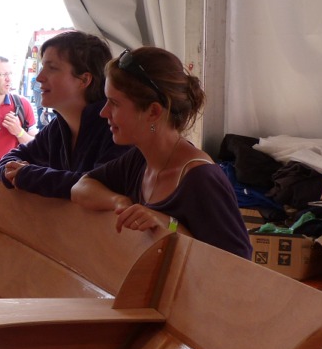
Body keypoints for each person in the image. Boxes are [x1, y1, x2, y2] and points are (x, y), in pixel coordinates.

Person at [70, 46, 252, 258]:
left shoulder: (202, 179)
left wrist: (170, 225)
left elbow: (238, 265)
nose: (103, 113)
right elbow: (80, 188)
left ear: (153, 112)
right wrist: (118, 202)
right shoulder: (139, 159)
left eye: (114, 103)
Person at [0, 31, 129, 198]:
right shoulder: (57, 128)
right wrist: (10, 172)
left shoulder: (115, 128)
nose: (39, 78)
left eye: (52, 68)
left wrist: (27, 176)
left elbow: (95, 185)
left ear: (84, 80)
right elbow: (13, 156)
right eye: (42, 67)